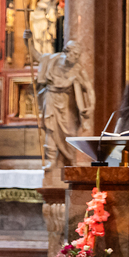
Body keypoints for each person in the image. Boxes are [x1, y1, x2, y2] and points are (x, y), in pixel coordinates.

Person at [24, 36, 94, 169]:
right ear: (67, 52)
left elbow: (89, 88)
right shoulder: (52, 60)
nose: (76, 57)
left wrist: (91, 106)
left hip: (66, 101)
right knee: (50, 129)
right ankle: (51, 160)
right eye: (74, 54)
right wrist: (28, 41)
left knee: (70, 131)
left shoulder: (78, 68)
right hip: (51, 97)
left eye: (78, 55)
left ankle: (71, 158)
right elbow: (36, 56)